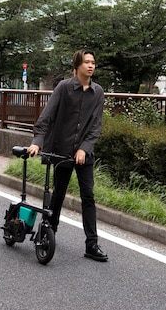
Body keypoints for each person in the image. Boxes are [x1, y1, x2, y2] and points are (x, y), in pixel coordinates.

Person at [26, 49, 108, 262]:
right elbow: (46, 117)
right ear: (77, 66)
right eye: (87, 62)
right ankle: (49, 232)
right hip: (62, 150)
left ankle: (92, 244)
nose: (91, 66)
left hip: (84, 153)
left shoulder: (98, 93)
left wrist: (84, 147)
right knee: (59, 193)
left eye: (93, 62)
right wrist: (37, 142)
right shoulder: (64, 87)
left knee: (88, 196)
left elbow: (95, 126)